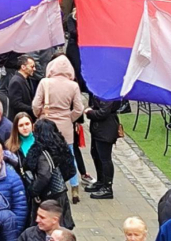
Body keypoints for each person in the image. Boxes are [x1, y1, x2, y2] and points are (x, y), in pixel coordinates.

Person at [32, 56, 83, 201]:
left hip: (46, 123)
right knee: (69, 155)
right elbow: (79, 109)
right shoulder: (73, 85)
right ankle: (74, 188)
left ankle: (49, 185)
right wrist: (68, 118)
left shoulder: (45, 82)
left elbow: (36, 105)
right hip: (65, 125)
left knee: (44, 155)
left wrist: (39, 115)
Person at [23, 119, 75, 229]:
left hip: (47, 197)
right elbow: (71, 170)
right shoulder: (62, 147)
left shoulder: (41, 152)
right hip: (60, 193)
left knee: (46, 228)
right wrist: (59, 179)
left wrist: (33, 190)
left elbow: (44, 175)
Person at [84, 96, 121, 199]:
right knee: (96, 154)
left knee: (105, 159)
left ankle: (107, 187)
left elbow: (103, 112)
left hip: (105, 129)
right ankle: (101, 181)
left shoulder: (109, 94)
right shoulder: (102, 91)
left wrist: (90, 112)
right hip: (98, 128)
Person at [7, 56, 36, 121]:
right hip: (18, 120)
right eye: (32, 66)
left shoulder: (28, 79)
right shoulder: (16, 81)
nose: (34, 69)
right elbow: (16, 104)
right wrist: (32, 109)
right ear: (23, 67)